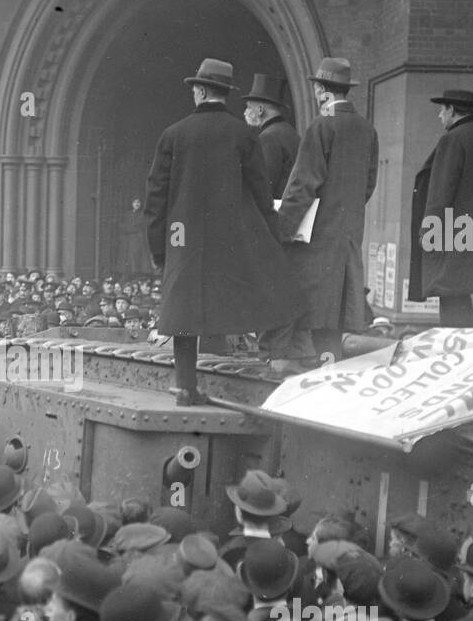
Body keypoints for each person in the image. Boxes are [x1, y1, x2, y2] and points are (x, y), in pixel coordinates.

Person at [143, 58, 302, 405]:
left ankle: (184, 385)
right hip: (229, 239)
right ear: (224, 94)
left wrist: (159, 248)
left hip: (181, 235)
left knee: (183, 305)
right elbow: (261, 193)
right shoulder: (243, 134)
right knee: (241, 295)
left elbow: (155, 196)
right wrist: (270, 238)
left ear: (199, 91)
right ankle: (267, 366)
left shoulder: (173, 134)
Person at [263, 57, 379, 373]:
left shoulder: (322, 125)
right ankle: (330, 376)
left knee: (311, 314)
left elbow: (302, 185)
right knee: (335, 322)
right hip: (349, 238)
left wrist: (281, 229)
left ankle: (309, 380)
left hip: (317, 242)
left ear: (321, 90)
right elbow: (368, 184)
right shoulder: (366, 129)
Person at [407, 89, 473, 328]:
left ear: (452, 110)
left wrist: (430, 227)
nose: (439, 116)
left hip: (452, 234)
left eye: (442, 110)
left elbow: (441, 189)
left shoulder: (452, 139)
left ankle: (456, 352)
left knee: (452, 299)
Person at [242, 74, 300, 200]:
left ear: (261, 109)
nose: (245, 112)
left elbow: (264, 186)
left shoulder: (268, 137)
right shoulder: (291, 132)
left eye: (248, 106)